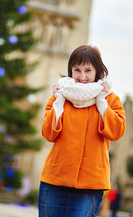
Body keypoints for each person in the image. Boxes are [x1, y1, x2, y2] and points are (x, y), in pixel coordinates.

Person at [38, 45, 126, 217]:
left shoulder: (110, 98)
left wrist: (102, 104)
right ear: (71, 70)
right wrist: (58, 103)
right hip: (55, 180)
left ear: (97, 70)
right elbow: (48, 134)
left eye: (88, 70)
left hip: (90, 186)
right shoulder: (60, 95)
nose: (82, 76)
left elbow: (117, 131)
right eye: (77, 70)